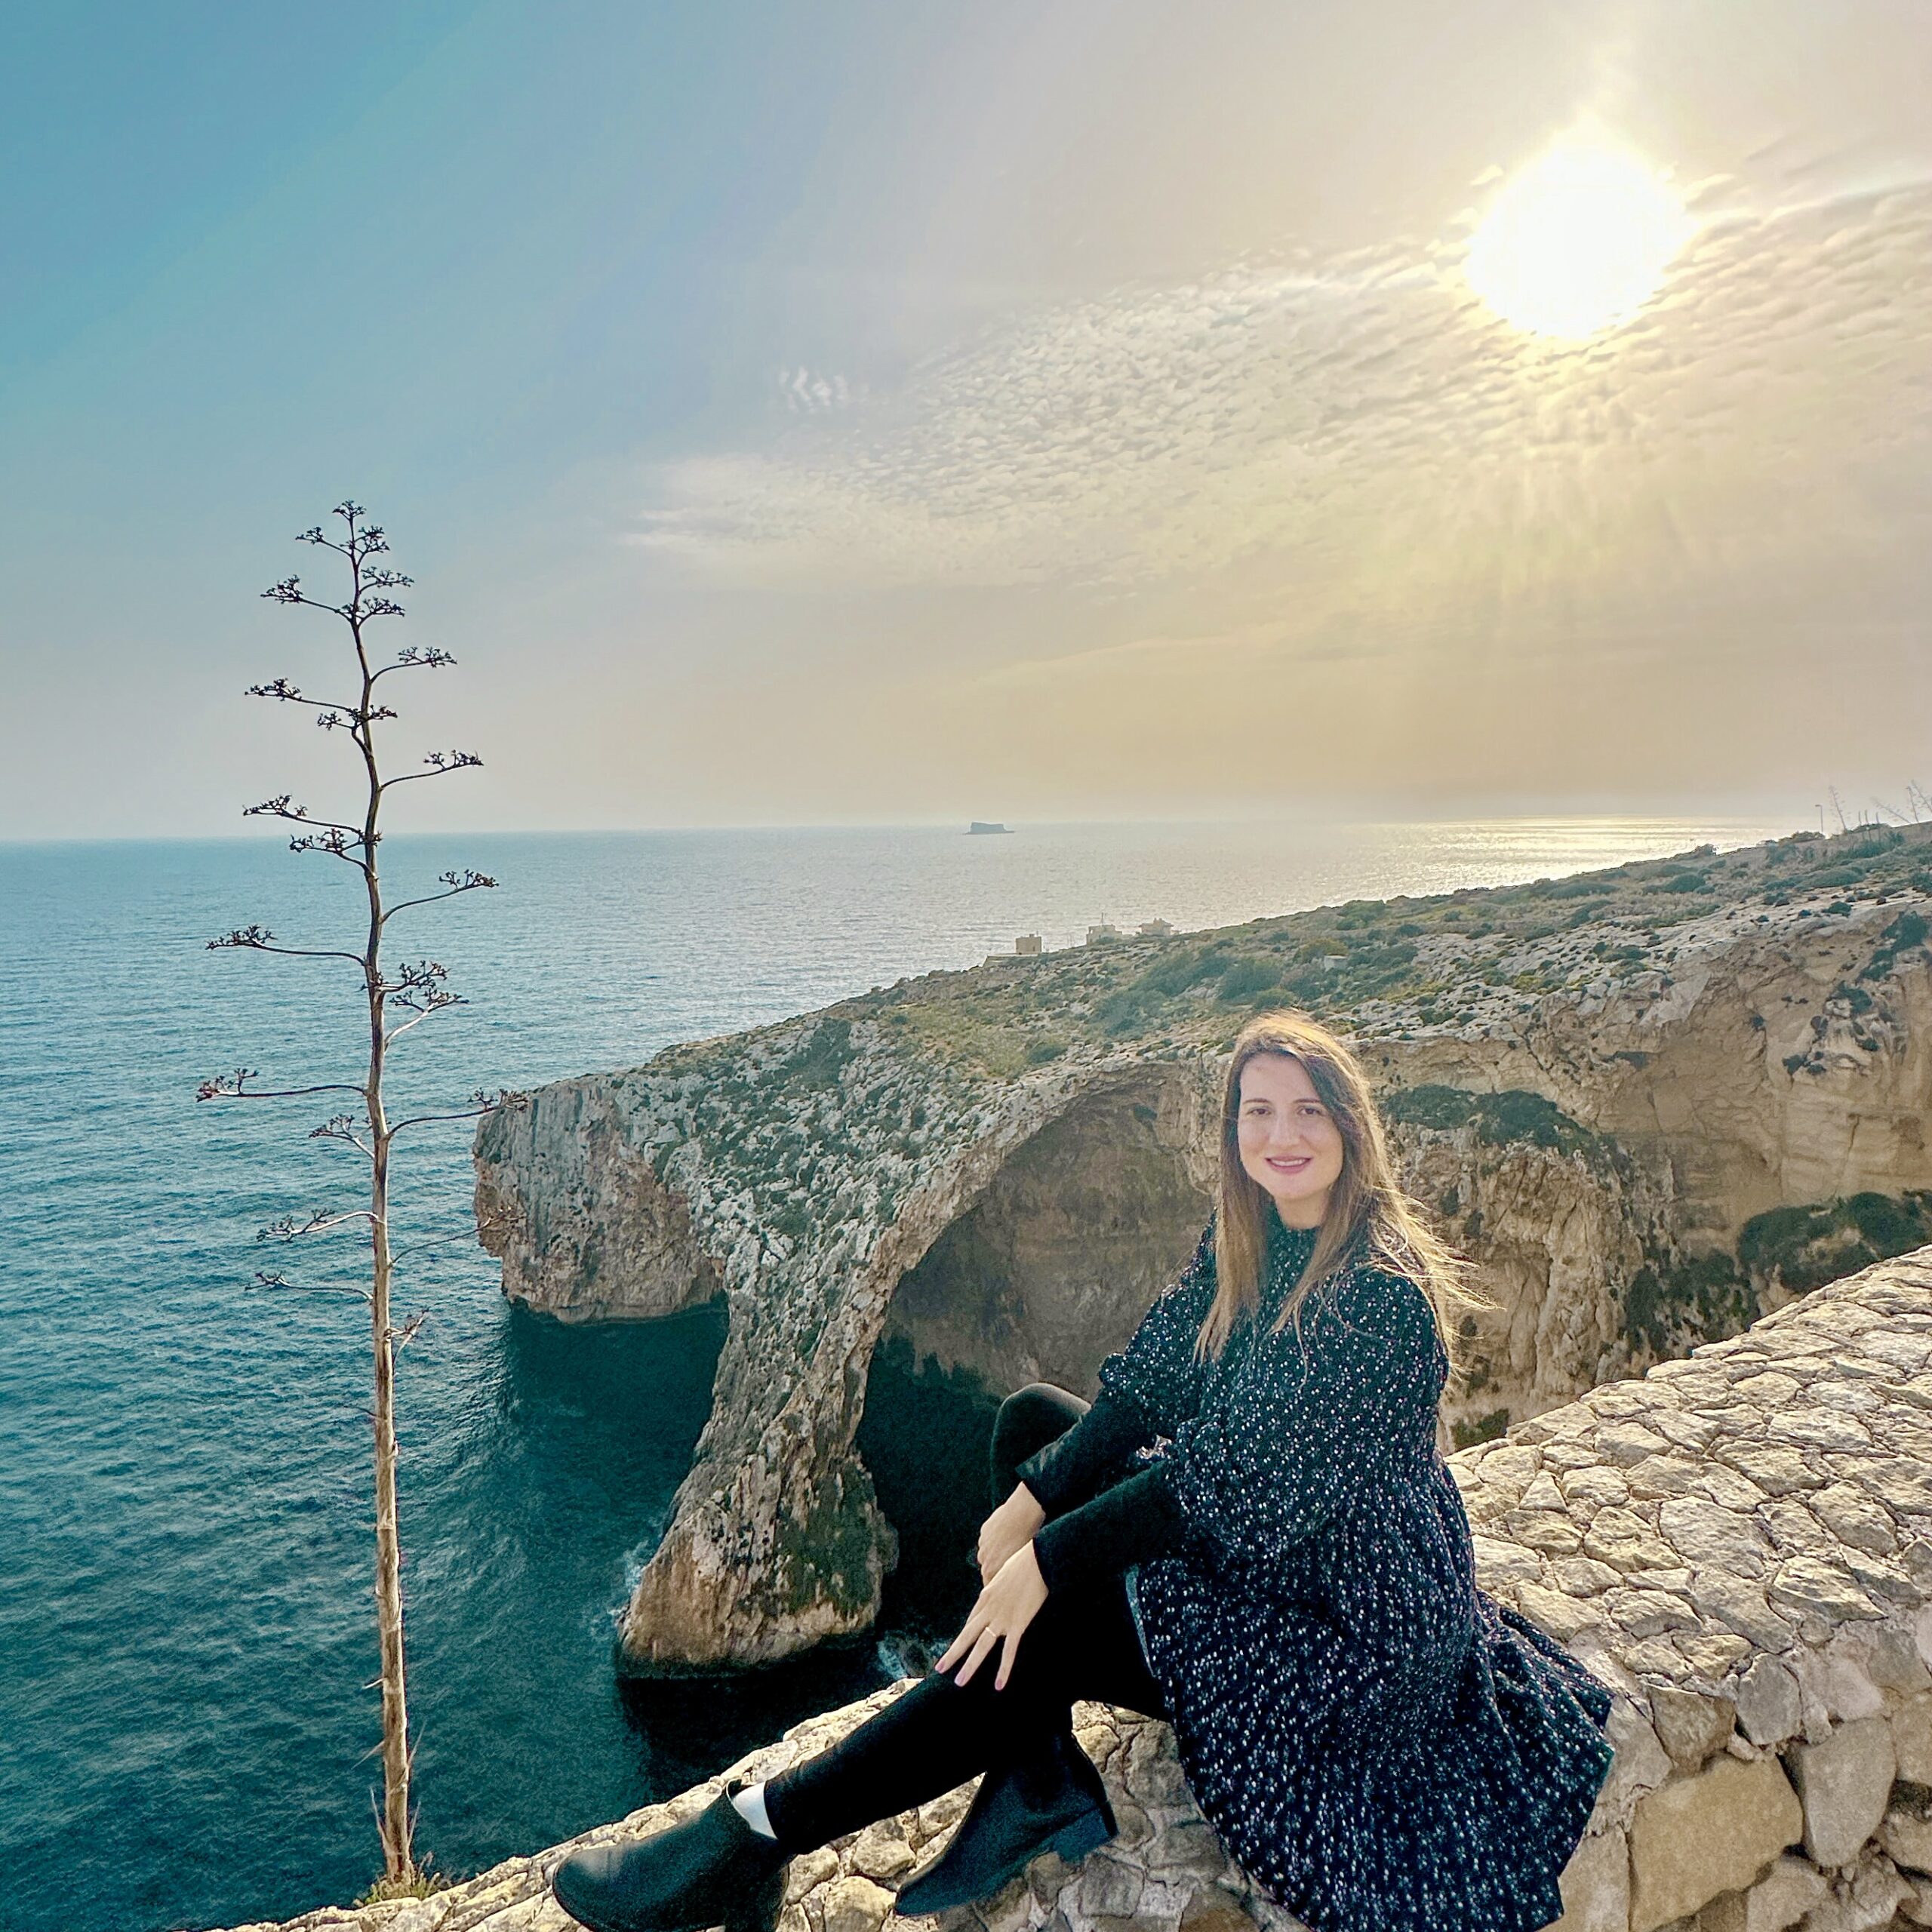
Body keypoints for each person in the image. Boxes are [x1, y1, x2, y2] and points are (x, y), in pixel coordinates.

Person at [552, 1010, 1617, 1932]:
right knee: (1032, 1428)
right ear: (1233, 1130)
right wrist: (1033, 1498)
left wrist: (1044, 1560)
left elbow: (1223, 1482)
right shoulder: (1251, 1238)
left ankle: (754, 1836)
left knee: (1046, 1618)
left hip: (1346, 1627)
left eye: (1306, 1111)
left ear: (1350, 1125)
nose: (1282, 1136)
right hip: (1265, 1551)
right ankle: (1033, 1760)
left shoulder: (1377, 1299)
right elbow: (1151, 1378)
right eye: (1258, 1112)